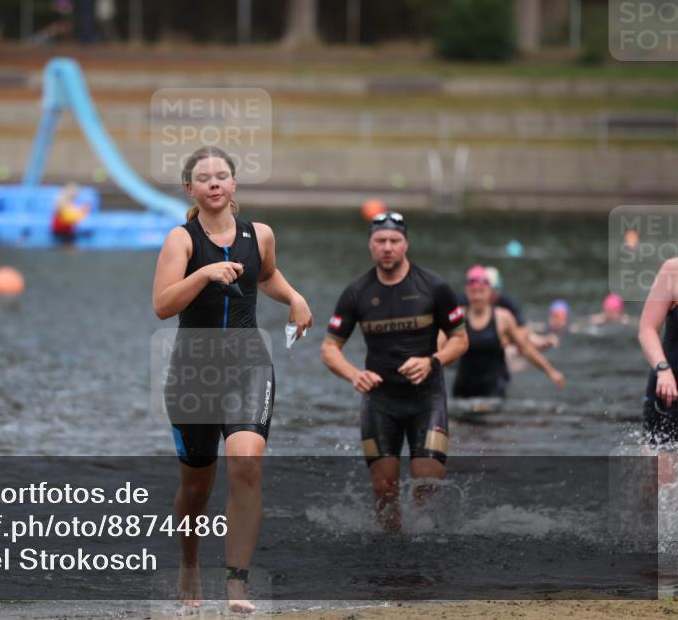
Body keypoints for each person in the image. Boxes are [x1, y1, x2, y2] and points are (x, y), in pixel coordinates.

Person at [152, 145, 312, 612]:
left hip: (248, 364)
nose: (215, 183)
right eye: (205, 178)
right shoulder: (180, 240)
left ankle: (237, 584)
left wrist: (295, 298)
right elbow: (163, 305)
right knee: (196, 487)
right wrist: (203, 273)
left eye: (222, 176)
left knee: (246, 463)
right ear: (191, 189)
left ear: (234, 184)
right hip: (192, 372)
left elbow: (268, 275)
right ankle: (188, 564)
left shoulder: (259, 234)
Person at [321, 211, 468, 531]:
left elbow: (460, 340)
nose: (387, 247)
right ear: (371, 246)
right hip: (380, 401)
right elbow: (330, 348)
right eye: (380, 241)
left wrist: (433, 361)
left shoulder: (434, 287)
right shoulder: (356, 293)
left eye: (394, 241)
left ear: (406, 245)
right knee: (384, 489)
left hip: (426, 398)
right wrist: (354, 374)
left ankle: (423, 537)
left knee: (427, 483)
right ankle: (391, 546)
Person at [450, 265, 564, 403]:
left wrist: (550, 371)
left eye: (481, 291)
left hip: (493, 391)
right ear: (467, 291)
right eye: (473, 292)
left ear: (489, 292)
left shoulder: (503, 318)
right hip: (463, 390)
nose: (477, 296)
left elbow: (525, 348)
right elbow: (440, 344)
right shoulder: (458, 317)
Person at [638, 258, 678, 449]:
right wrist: (662, 369)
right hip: (669, 391)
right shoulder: (673, 271)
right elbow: (647, 329)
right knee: (662, 478)